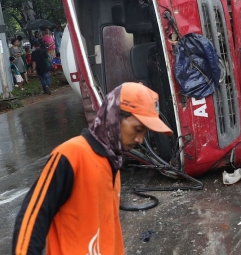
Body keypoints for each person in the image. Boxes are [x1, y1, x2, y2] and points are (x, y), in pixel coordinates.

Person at [12, 82, 173, 255]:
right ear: (113, 116)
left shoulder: (113, 163)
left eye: (145, 132)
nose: (140, 140)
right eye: (138, 129)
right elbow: (33, 218)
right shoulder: (72, 155)